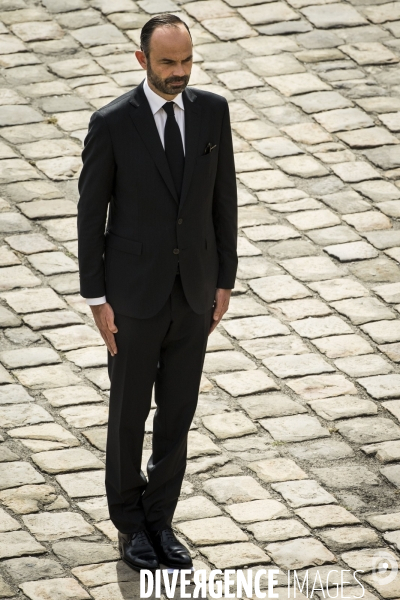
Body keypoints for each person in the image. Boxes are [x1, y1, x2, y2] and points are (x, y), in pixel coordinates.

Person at [77, 13, 238, 572]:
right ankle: (129, 526)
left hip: (193, 294)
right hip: (132, 300)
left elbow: (225, 200)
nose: (180, 73)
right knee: (127, 416)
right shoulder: (113, 123)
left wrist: (224, 282)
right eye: (168, 62)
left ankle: (161, 520)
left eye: (187, 60)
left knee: (177, 415)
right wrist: (97, 300)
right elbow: (90, 213)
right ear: (142, 59)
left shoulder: (213, 112)